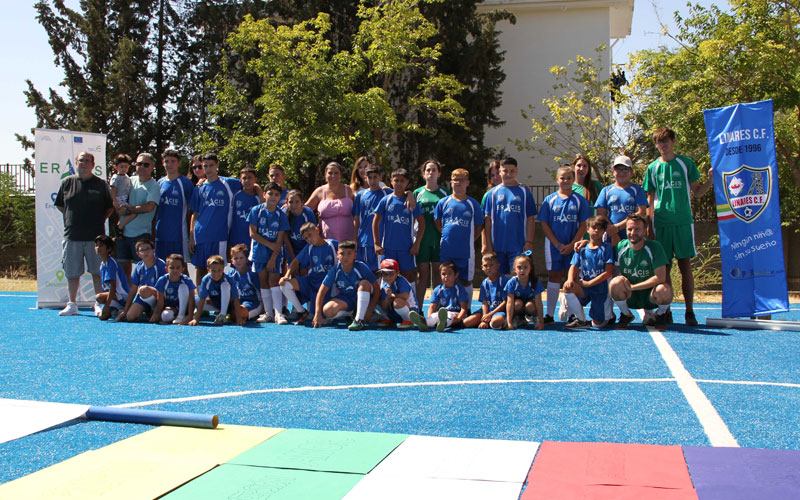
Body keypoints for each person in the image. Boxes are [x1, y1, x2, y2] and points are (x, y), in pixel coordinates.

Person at [643, 127, 713, 326]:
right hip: (661, 223)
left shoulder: (685, 163)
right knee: (664, 269)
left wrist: (710, 180)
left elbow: (698, 192)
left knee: (685, 266)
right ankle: (666, 310)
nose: (661, 145)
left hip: (682, 221)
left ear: (673, 141)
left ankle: (690, 312)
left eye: (665, 140)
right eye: (658, 141)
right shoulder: (652, 168)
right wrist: (649, 225)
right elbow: (649, 200)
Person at [55, 151, 114, 316]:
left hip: (95, 238)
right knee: (72, 273)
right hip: (72, 236)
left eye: (88, 161)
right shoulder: (67, 182)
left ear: (93, 165)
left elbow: (109, 208)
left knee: (97, 272)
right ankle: (72, 304)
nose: (84, 163)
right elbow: (61, 206)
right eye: (81, 160)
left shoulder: (101, 184)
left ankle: (99, 303)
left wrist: (96, 221)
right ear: (76, 162)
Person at [538, 165, 591, 323]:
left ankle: (573, 313)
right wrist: (557, 244)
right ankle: (549, 314)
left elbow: (583, 224)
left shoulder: (580, 200)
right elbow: (544, 224)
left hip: (574, 246)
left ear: (573, 180)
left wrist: (572, 244)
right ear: (557, 180)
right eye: (562, 178)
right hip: (554, 246)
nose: (566, 181)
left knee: (572, 278)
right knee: (554, 275)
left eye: (569, 178)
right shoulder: (550, 200)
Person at [608, 214, 674, 330]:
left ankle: (660, 315)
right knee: (615, 283)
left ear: (645, 231)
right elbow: (615, 269)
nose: (633, 233)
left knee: (665, 289)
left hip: (650, 296)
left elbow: (660, 278)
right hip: (630, 296)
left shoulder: (655, 247)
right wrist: (620, 277)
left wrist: (633, 287)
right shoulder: (620, 247)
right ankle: (625, 314)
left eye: (637, 229)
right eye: (630, 229)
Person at [189, 153, 243, 284]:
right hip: (200, 234)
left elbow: (249, 184)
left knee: (218, 270)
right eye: (205, 166)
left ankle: (218, 300)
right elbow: (195, 213)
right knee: (200, 268)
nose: (208, 169)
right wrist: (191, 235)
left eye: (211, 165)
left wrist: (260, 195)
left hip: (219, 235)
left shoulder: (228, 183)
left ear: (217, 165)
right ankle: (201, 301)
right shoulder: (199, 187)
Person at [482, 157, 537, 275]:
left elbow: (530, 219)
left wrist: (529, 242)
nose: (508, 174)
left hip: (518, 246)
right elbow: (487, 220)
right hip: (497, 247)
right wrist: (487, 245)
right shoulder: (491, 194)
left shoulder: (524, 192)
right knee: (499, 280)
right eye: (505, 171)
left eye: (511, 171)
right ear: (500, 172)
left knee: (516, 279)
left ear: (516, 171)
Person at [280, 222, 339, 325]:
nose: (309, 239)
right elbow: (295, 261)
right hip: (312, 282)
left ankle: (350, 313)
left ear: (317, 230)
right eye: (306, 238)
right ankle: (302, 311)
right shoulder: (309, 247)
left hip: (328, 286)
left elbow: (348, 253)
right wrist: (286, 275)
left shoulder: (333, 244)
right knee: (284, 284)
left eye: (310, 235)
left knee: (327, 316)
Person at [372, 168, 425, 284]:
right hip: (388, 248)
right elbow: (375, 221)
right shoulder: (386, 200)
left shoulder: (411, 201)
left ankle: (409, 302)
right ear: (391, 181)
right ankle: (387, 301)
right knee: (387, 278)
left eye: (402, 181)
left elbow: (422, 223)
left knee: (408, 279)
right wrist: (376, 243)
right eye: (396, 180)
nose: (399, 183)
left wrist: (417, 244)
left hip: (406, 248)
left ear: (407, 182)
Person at [248, 182, 290, 324]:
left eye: (277, 194)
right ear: (264, 195)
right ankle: (268, 313)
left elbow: (280, 240)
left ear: (280, 197)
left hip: (275, 254)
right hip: (259, 252)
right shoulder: (256, 211)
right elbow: (253, 233)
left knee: (274, 280)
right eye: (270, 193)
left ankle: (279, 313)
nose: (273, 197)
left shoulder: (281, 215)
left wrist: (273, 257)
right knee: (263, 280)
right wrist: (269, 245)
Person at [313, 240, 379, 331]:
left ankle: (359, 319)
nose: (345, 257)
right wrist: (317, 313)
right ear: (337, 255)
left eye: (349, 253)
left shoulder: (361, 267)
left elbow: (376, 288)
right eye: (342, 254)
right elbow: (321, 291)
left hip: (363, 298)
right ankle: (352, 314)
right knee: (327, 311)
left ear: (355, 255)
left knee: (364, 283)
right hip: (347, 299)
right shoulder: (335, 270)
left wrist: (370, 309)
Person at [434, 168, 484, 287]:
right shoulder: (443, 202)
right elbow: (437, 221)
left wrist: (471, 239)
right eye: (455, 180)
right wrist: (445, 233)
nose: (458, 182)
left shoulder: (473, 204)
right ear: (451, 182)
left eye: (461, 180)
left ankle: (465, 306)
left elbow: (479, 225)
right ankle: (448, 305)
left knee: (466, 281)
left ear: (467, 183)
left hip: (465, 251)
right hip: (447, 250)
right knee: (446, 279)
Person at [562, 216, 614, 329]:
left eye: (599, 229)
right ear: (587, 229)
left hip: (601, 289)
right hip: (584, 288)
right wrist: (570, 279)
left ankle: (606, 315)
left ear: (604, 231)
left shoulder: (606, 248)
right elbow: (573, 266)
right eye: (593, 227)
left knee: (598, 324)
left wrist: (589, 283)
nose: (596, 231)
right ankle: (581, 320)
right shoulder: (581, 248)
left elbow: (608, 272)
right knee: (568, 287)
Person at [116, 152, 160, 280]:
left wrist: (129, 210)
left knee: (144, 272)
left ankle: (144, 299)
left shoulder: (154, 186)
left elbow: (149, 207)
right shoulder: (129, 180)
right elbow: (118, 199)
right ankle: (126, 299)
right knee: (124, 273)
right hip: (123, 234)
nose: (141, 167)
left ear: (152, 167)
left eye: (145, 164)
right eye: (138, 164)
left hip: (141, 235)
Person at [413, 160, 450, 305]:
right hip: (422, 239)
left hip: (439, 239)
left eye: (434, 170)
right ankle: (418, 308)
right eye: (428, 170)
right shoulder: (418, 193)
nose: (431, 172)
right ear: (423, 174)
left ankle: (437, 308)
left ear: (439, 173)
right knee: (422, 275)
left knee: (438, 273)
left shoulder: (445, 193)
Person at [594, 155, 648, 245]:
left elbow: (641, 212)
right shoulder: (606, 191)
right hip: (610, 237)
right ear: (613, 171)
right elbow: (601, 215)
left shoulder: (637, 190)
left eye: (625, 169)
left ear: (631, 172)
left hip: (633, 237)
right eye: (618, 169)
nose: (622, 172)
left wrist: (618, 227)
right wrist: (613, 231)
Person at [409, 261, 470, 332]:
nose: (446, 276)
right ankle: (424, 322)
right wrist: (430, 316)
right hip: (441, 313)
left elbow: (464, 308)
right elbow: (432, 306)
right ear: (440, 275)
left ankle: (443, 324)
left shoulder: (460, 289)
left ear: (456, 275)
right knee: (434, 316)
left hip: (455, 314)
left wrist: (459, 319)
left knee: (449, 315)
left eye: (449, 273)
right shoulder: (438, 289)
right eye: (443, 274)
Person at [155, 149, 194, 260]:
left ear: (179, 163)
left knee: (182, 266)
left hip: (179, 235)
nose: (169, 164)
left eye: (173, 161)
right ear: (163, 163)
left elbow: (192, 210)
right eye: (167, 161)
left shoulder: (185, 183)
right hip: (161, 234)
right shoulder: (159, 183)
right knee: (162, 266)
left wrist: (191, 234)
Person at [352, 165, 392, 272]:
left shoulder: (387, 193)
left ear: (380, 177)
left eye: (375, 177)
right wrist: (355, 239)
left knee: (380, 272)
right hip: (363, 241)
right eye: (370, 177)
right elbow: (356, 219)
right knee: (363, 272)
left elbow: (402, 194)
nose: (373, 180)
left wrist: (409, 194)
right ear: (365, 178)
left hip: (381, 241)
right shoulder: (360, 195)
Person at [117, 238, 167, 322]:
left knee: (143, 289)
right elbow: (133, 290)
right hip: (143, 296)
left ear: (153, 251)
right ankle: (147, 311)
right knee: (130, 317)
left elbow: (163, 289)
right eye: (142, 250)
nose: (145, 252)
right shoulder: (139, 266)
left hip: (159, 297)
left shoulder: (161, 265)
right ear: (138, 254)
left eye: (148, 249)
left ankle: (155, 310)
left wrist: (157, 312)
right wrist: (125, 311)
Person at [305, 161, 355, 242]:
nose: (333, 176)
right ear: (325, 175)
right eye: (330, 173)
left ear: (340, 175)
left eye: (336, 173)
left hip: (348, 239)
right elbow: (306, 209)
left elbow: (358, 211)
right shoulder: (320, 191)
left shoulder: (348, 190)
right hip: (327, 239)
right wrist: (288, 207)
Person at [190, 255, 241, 326]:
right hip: (215, 305)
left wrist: (239, 319)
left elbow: (236, 299)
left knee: (225, 285)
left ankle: (222, 315)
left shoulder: (229, 279)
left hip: (228, 306)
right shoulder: (206, 279)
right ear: (208, 270)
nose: (216, 274)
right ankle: (204, 312)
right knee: (196, 300)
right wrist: (196, 319)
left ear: (223, 269)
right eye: (213, 271)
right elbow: (202, 300)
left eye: (219, 270)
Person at [463, 253, 509, 329]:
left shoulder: (504, 281)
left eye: (491, 265)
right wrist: (485, 318)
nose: (488, 268)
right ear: (482, 267)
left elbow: (506, 302)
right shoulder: (484, 283)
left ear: (497, 266)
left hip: (499, 311)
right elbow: (484, 303)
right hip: (487, 311)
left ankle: (501, 321)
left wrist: (490, 314)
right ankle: (487, 321)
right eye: (485, 266)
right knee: (466, 323)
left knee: (496, 322)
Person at [504, 252, 545, 330]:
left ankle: (535, 318)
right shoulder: (512, 283)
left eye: (525, 267)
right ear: (514, 269)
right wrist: (508, 323)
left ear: (530, 269)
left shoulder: (535, 282)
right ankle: (517, 318)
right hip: (518, 306)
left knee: (529, 306)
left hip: (530, 306)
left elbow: (539, 302)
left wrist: (541, 322)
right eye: (519, 267)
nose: (522, 270)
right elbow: (509, 303)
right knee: (517, 304)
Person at [93, 234, 129, 321]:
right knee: (103, 317)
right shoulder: (102, 265)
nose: (98, 248)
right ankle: (114, 309)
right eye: (96, 245)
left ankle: (122, 308)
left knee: (99, 297)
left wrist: (106, 306)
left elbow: (113, 287)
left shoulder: (111, 263)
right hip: (114, 296)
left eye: (101, 246)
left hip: (122, 296)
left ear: (109, 249)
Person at [153, 254, 196, 324]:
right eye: (172, 268)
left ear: (183, 269)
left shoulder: (187, 280)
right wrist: (157, 315)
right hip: (170, 307)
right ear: (166, 269)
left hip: (184, 308)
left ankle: (181, 315)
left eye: (178, 267)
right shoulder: (162, 280)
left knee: (183, 286)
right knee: (165, 316)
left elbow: (191, 299)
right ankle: (175, 316)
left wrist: (190, 318)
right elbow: (160, 300)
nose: (175, 270)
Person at [374, 258, 417, 328]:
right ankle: (390, 319)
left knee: (397, 302)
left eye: (391, 274)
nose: (388, 277)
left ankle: (408, 320)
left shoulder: (401, 280)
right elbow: (384, 307)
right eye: (385, 274)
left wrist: (392, 295)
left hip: (411, 310)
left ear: (397, 273)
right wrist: (387, 298)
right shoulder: (384, 285)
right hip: (394, 312)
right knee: (375, 299)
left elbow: (405, 295)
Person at [227, 244, 264, 324]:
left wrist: (264, 310)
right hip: (238, 303)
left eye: (241, 258)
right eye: (236, 258)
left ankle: (248, 315)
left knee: (237, 313)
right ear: (232, 261)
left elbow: (262, 292)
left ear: (247, 259)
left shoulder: (252, 274)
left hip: (254, 303)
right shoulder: (230, 275)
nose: (238, 261)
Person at [229, 166, 262, 251]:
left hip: (252, 239)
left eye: (250, 178)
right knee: (237, 263)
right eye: (244, 178)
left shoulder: (258, 198)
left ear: (255, 179)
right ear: (240, 180)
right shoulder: (235, 195)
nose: (247, 180)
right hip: (236, 238)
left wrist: (260, 193)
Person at [284, 190, 317, 263]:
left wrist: (305, 257)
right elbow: (285, 238)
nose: (294, 205)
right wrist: (293, 259)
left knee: (304, 271)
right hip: (291, 250)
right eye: (291, 202)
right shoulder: (284, 214)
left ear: (302, 202)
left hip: (306, 248)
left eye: (297, 202)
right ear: (286, 203)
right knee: (294, 271)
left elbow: (312, 236)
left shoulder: (308, 213)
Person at [109, 154, 135, 234]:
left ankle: (120, 229)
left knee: (125, 215)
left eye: (125, 167)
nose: (124, 169)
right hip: (119, 200)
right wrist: (115, 201)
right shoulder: (115, 177)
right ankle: (119, 227)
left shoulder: (127, 177)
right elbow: (113, 190)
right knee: (134, 212)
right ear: (116, 167)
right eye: (121, 167)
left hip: (125, 199)